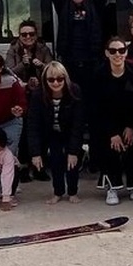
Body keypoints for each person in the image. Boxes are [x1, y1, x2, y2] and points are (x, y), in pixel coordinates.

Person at [47, 0, 110, 102]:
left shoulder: (94, 6)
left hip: (92, 61)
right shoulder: (64, 7)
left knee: (92, 97)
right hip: (70, 61)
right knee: (72, 96)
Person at [91, 37, 133, 205]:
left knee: (132, 148)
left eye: (121, 50)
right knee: (109, 149)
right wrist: (112, 133)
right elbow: (97, 108)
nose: (117, 54)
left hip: (130, 121)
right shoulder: (98, 75)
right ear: (107, 53)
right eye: (113, 51)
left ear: (126, 52)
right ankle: (112, 187)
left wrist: (131, 127)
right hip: (107, 123)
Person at [27, 61, 85, 204]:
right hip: (51, 133)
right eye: (51, 79)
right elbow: (32, 125)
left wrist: (73, 150)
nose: (56, 83)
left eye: (60, 79)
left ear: (65, 78)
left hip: (70, 130)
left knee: (72, 161)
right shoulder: (38, 95)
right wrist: (35, 153)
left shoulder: (74, 91)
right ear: (45, 80)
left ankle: (73, 192)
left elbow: (78, 123)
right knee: (55, 161)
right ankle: (58, 192)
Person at [4, 19, 54, 182]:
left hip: (40, 95)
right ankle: (24, 167)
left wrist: (41, 66)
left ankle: (40, 166)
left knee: (43, 128)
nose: (27, 37)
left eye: (31, 34)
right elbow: (7, 73)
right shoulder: (13, 50)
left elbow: (53, 69)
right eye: (24, 34)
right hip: (21, 95)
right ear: (19, 36)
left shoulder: (43, 49)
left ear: (36, 35)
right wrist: (22, 65)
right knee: (25, 130)